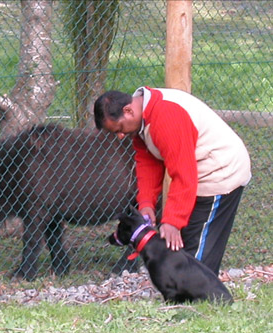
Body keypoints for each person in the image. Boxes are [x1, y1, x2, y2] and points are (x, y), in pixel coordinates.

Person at [94, 86, 251, 275]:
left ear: (128, 110)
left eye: (119, 128)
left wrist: (172, 221)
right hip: (197, 174)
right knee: (183, 245)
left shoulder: (165, 116)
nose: (120, 135)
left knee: (198, 253)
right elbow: (148, 162)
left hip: (221, 172)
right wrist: (146, 203)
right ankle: (188, 292)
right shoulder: (141, 119)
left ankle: (201, 298)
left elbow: (183, 173)